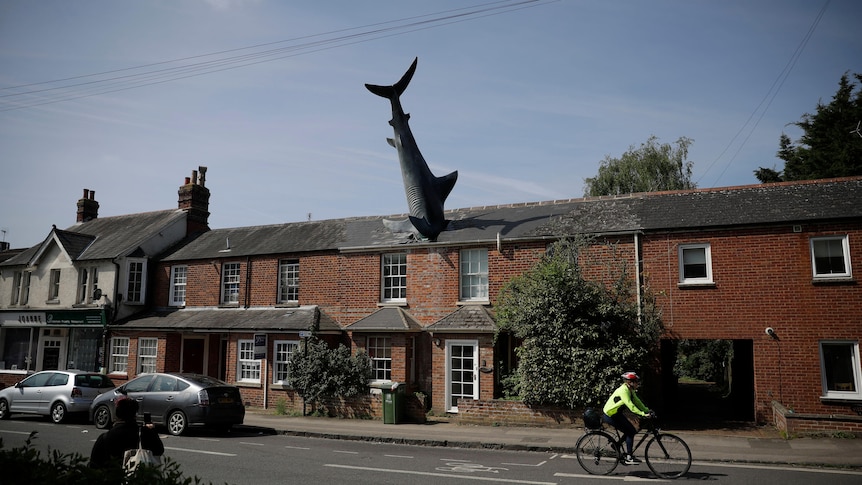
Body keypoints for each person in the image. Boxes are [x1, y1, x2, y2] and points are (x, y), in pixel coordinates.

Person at [90, 397, 164, 469]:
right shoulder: (145, 433)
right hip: (138, 478)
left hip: (112, 478)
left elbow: (94, 464)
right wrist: (152, 430)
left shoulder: (105, 437)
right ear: (135, 414)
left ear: (117, 414)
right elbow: (159, 450)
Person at [602, 371, 654, 465]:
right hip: (610, 415)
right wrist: (642, 414)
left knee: (630, 430)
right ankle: (629, 457)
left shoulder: (630, 390)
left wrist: (646, 410)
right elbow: (631, 406)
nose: (638, 383)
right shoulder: (623, 391)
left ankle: (616, 445)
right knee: (630, 432)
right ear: (630, 382)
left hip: (616, 413)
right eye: (636, 381)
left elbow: (637, 402)